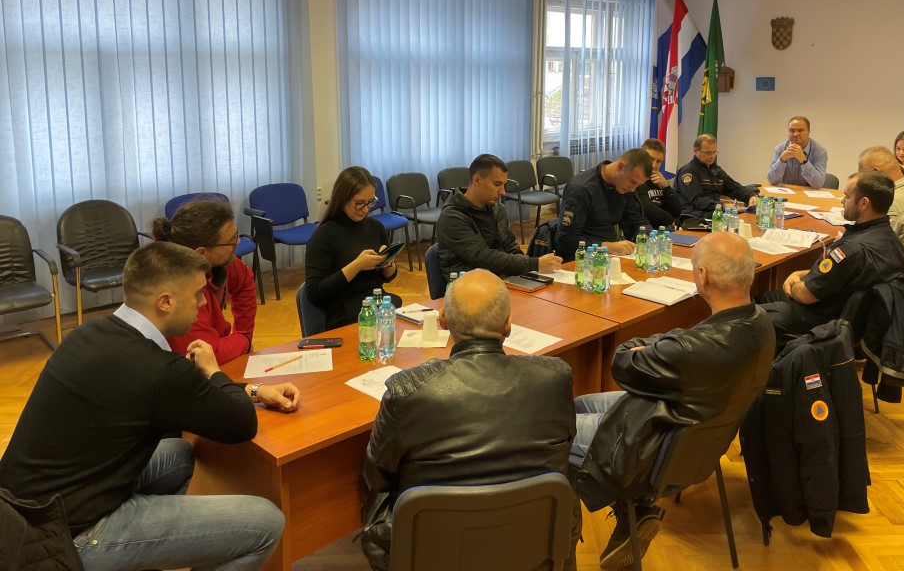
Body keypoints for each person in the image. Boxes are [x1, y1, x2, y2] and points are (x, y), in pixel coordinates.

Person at [0, 242, 301, 571]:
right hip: (64, 537)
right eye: (198, 294)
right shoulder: (158, 369)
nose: (205, 302)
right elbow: (241, 424)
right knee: (266, 523)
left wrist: (255, 390)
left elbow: (183, 394)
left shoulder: (91, 332)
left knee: (179, 453)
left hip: (21, 512)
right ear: (166, 302)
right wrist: (214, 370)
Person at [570, 233, 775, 569]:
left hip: (651, 449)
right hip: (696, 438)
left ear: (702, 276)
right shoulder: (761, 323)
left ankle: (570, 537)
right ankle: (633, 510)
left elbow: (622, 361)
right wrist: (668, 342)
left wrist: (659, 343)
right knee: (579, 404)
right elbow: (671, 348)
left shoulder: (690, 350)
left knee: (553, 429)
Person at [360, 269, 576, 571]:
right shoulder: (555, 379)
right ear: (508, 325)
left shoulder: (406, 391)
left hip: (433, 553)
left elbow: (377, 476)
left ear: (443, 320)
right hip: (533, 548)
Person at [757, 171, 904, 340]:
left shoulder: (852, 249)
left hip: (826, 321)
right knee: (764, 297)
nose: (842, 201)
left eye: (847, 196)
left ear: (864, 203)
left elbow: (806, 295)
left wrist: (795, 284)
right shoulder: (893, 242)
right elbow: (843, 273)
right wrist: (801, 274)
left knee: (754, 318)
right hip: (859, 322)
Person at [151, 197, 258, 363]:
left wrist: (244, 333)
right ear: (201, 253)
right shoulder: (177, 294)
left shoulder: (221, 262)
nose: (237, 242)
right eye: (231, 240)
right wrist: (244, 341)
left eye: (236, 234)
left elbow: (244, 282)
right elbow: (204, 355)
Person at [305, 166, 402, 329]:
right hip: (344, 314)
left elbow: (388, 277)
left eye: (370, 202)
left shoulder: (376, 228)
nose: (365, 209)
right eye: (359, 203)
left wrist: (388, 263)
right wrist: (357, 266)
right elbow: (314, 293)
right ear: (343, 199)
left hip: (377, 304)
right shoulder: (323, 235)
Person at [437, 154, 562, 277]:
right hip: (468, 283)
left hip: (498, 277)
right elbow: (482, 257)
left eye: (504, 185)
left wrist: (525, 274)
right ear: (477, 180)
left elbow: (510, 246)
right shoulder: (452, 216)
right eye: (497, 184)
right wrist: (534, 264)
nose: (502, 192)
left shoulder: (497, 208)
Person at [553, 149, 653, 260]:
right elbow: (566, 240)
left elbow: (637, 221)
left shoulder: (624, 186)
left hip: (611, 254)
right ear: (620, 167)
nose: (633, 189)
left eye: (638, 185)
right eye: (633, 182)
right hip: (581, 258)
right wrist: (607, 247)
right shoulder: (581, 189)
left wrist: (650, 239)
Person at [675, 134, 759, 219]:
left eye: (714, 152)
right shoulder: (688, 172)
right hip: (693, 216)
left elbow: (734, 188)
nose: (712, 156)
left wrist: (751, 196)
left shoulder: (716, 170)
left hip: (713, 212)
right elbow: (698, 201)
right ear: (696, 151)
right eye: (708, 153)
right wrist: (723, 206)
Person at [766, 116, 828, 188]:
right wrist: (782, 159)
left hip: (807, 194)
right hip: (784, 193)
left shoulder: (820, 151)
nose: (795, 134)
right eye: (792, 130)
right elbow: (771, 181)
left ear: (809, 131)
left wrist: (804, 161)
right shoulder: (780, 149)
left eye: (800, 130)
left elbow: (818, 184)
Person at [635, 138, 684, 228]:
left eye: (658, 161)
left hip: (664, 228)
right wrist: (670, 220)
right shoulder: (636, 181)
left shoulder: (660, 180)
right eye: (651, 159)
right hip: (646, 228)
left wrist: (665, 186)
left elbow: (677, 211)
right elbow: (649, 210)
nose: (654, 165)